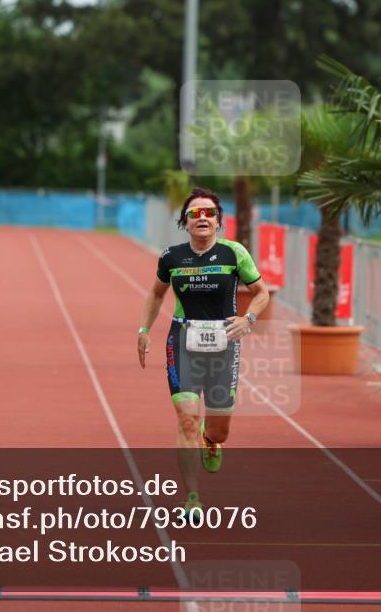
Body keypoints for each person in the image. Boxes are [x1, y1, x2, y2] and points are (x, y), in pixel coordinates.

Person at [137, 187, 269, 517]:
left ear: (219, 221)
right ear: (185, 222)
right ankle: (192, 499)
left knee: (218, 428)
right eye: (195, 214)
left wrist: (248, 318)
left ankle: (211, 441)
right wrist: (143, 330)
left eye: (209, 213)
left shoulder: (234, 253)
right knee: (186, 420)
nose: (203, 218)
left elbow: (262, 292)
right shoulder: (171, 257)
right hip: (183, 341)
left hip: (224, 346)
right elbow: (155, 295)